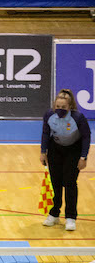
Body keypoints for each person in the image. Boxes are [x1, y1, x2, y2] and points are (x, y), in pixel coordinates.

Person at [41, 89, 90, 232]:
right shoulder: (49, 115)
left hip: (73, 151)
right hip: (55, 149)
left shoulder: (78, 118)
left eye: (63, 107)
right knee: (55, 182)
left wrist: (83, 157)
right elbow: (45, 133)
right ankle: (54, 214)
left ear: (70, 106)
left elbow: (86, 136)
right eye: (58, 106)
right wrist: (43, 152)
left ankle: (70, 217)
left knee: (69, 183)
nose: (60, 109)